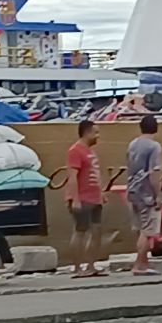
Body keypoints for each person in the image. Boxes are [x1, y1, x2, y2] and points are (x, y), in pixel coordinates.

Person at [65, 119, 105, 279]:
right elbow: (72, 176)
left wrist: (101, 193)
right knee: (80, 231)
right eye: (95, 132)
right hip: (82, 198)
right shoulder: (75, 151)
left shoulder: (90, 151)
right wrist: (75, 199)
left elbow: (95, 174)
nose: (98, 136)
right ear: (87, 132)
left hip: (95, 198)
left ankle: (90, 265)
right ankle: (77, 267)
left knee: (96, 231)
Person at [125, 115, 162, 276]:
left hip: (133, 190)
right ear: (155, 128)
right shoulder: (154, 147)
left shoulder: (132, 145)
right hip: (147, 193)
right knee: (147, 230)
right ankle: (139, 265)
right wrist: (159, 196)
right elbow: (154, 174)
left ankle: (143, 262)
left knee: (139, 227)